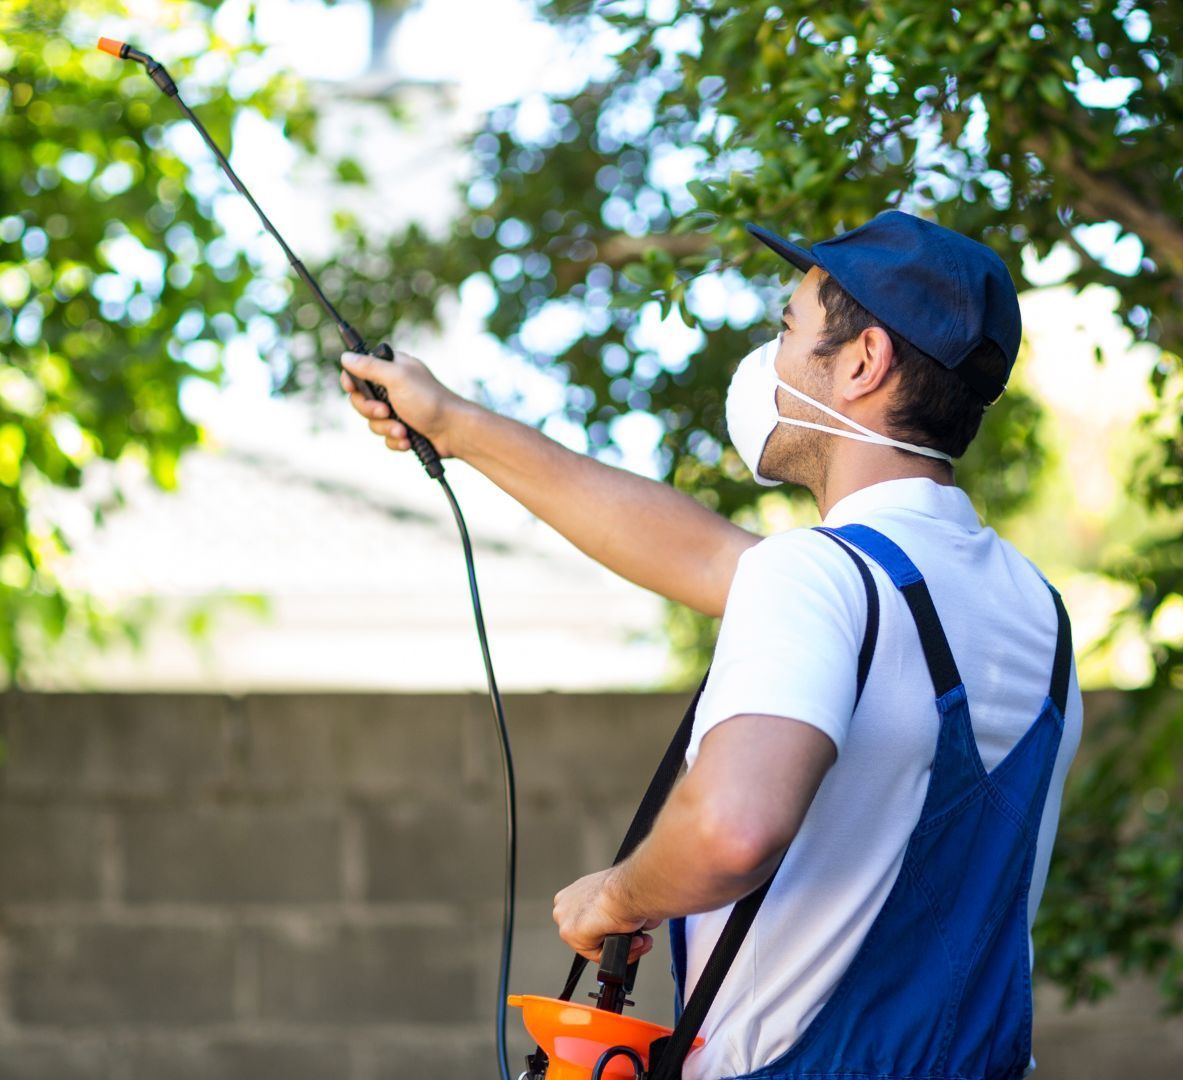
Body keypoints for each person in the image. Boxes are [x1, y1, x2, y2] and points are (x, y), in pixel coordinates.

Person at [339, 210, 1081, 1080]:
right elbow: (694, 552)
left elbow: (734, 828)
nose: (769, 362)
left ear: (862, 363)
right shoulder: (1034, 611)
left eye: (787, 331)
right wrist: (454, 423)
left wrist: (617, 895)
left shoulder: (820, 579)